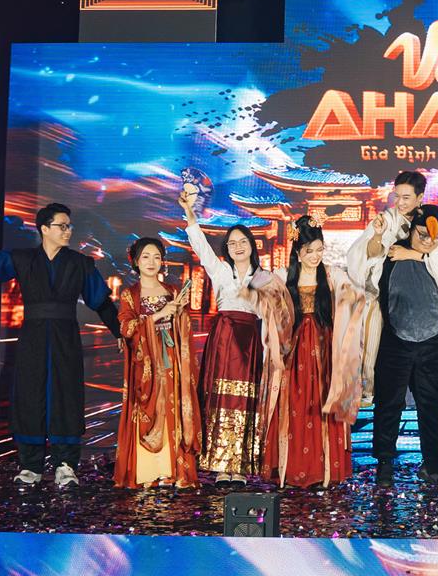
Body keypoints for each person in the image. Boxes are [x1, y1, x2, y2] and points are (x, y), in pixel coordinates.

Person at [0, 196, 123, 489]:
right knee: (30, 394)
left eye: (69, 226)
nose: (68, 231)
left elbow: (101, 302)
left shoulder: (80, 263)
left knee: (66, 396)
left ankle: (66, 465)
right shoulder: (24, 259)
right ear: (44, 229)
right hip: (33, 337)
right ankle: (30, 465)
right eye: (62, 226)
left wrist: (121, 334)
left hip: (66, 338)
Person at [358, 201, 438, 486]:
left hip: (432, 343)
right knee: (388, 405)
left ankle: (432, 464)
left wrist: (419, 255)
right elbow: (366, 274)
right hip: (395, 340)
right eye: (422, 235)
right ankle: (384, 462)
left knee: (431, 407)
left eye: (435, 236)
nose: (429, 241)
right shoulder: (393, 252)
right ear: (412, 230)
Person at [181, 183, 281, 481]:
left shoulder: (265, 277)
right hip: (224, 338)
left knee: (246, 400)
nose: (238, 246)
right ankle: (220, 464)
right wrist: (190, 214)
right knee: (221, 399)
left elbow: (274, 312)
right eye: (232, 243)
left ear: (252, 245)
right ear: (226, 248)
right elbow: (201, 247)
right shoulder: (221, 270)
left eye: (243, 241)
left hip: (250, 340)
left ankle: (241, 466)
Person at [343, 170, 438, 395]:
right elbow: (365, 256)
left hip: (429, 301)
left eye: (406, 197)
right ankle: (370, 385)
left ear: (420, 197)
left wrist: (414, 255)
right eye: (397, 196)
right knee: (373, 316)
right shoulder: (388, 220)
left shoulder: (433, 219)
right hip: (396, 299)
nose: (400, 203)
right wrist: (377, 235)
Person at [265, 218, 362, 488]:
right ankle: (293, 469)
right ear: (298, 252)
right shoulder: (284, 276)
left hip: (325, 349)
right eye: (309, 251)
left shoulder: (332, 275)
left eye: (319, 250)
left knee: (322, 402)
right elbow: (268, 306)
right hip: (294, 350)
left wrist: (350, 300)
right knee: (295, 406)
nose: (315, 256)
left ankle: (324, 471)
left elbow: (352, 296)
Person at [111, 236, 200, 489]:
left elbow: (183, 326)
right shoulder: (130, 294)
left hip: (171, 359)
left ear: (163, 262)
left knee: (173, 406)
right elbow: (126, 327)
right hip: (146, 363)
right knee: (148, 408)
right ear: (136, 262)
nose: (151, 262)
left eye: (157, 257)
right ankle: (147, 471)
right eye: (146, 257)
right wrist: (158, 315)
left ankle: (171, 470)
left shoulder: (172, 290)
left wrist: (179, 313)